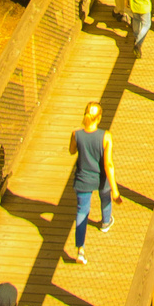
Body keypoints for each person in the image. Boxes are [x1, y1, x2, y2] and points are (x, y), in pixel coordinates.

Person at [68, 102, 119, 265]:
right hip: (101, 177)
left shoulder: (76, 134)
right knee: (105, 196)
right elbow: (108, 164)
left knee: (82, 212)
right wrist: (115, 190)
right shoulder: (106, 136)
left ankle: (80, 250)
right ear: (99, 118)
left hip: (83, 178)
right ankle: (105, 222)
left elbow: (72, 151)